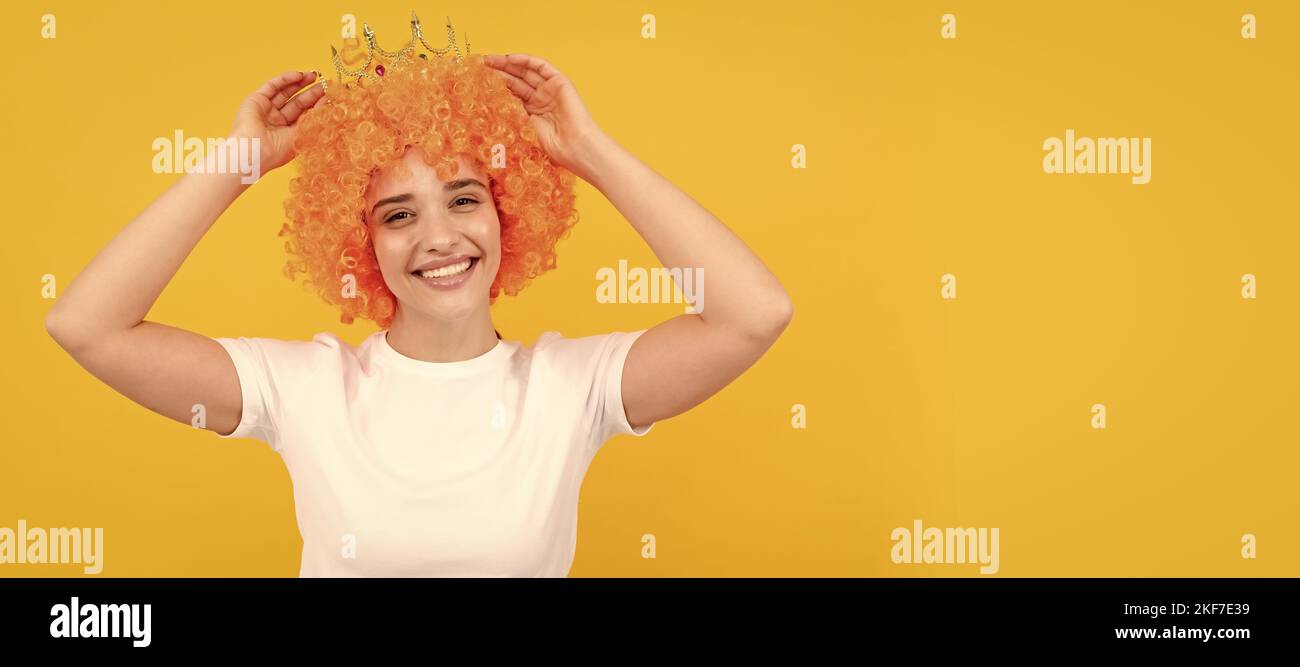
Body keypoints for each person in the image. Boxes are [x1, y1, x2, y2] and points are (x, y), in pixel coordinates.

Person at [45, 21, 792, 576]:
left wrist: (587, 150)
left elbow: (753, 313)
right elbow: (87, 324)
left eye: (464, 200)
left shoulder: (572, 388)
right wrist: (236, 162)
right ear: (359, 241)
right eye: (397, 214)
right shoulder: (303, 389)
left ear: (508, 214)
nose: (438, 237)